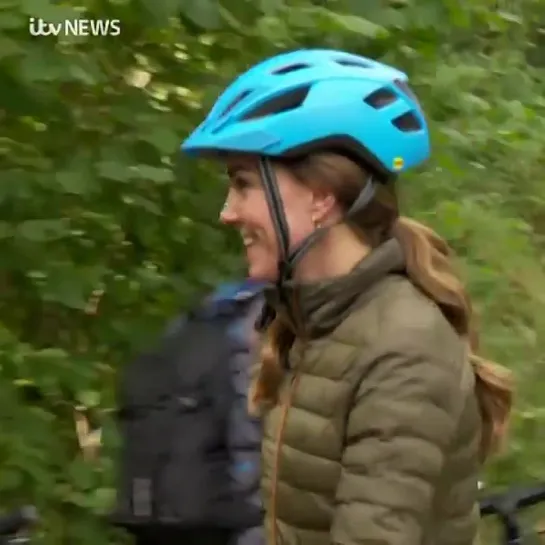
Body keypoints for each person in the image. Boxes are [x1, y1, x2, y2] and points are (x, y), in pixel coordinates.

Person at [180, 49, 514, 545]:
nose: (228, 213)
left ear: (321, 198)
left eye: (243, 184)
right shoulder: (313, 322)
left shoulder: (404, 347)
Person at [112, 280, 265, 545]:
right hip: (226, 521)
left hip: (156, 514)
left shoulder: (193, 319)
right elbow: (251, 440)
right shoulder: (266, 318)